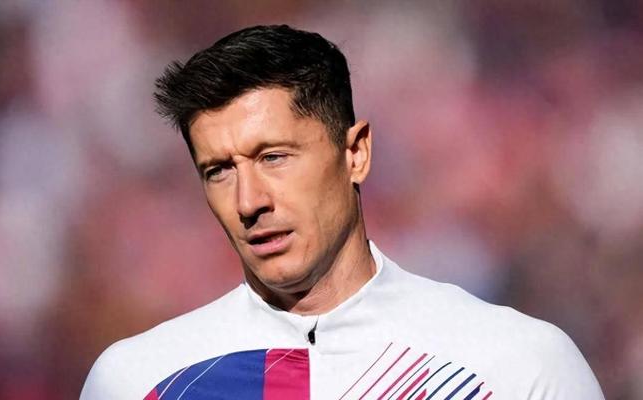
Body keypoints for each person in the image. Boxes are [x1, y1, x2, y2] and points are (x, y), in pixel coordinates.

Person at [80, 25, 604, 400]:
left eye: (273, 157)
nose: (248, 201)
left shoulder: (518, 366)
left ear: (356, 153)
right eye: (219, 170)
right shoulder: (136, 379)